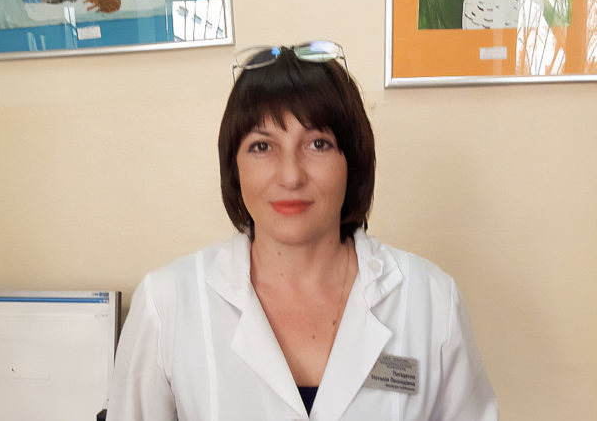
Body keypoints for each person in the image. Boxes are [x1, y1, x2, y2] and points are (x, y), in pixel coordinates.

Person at [106, 41, 498, 420]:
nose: (291, 175)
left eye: (318, 143)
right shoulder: (167, 303)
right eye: (262, 146)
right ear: (233, 167)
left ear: (353, 161)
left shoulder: (430, 299)